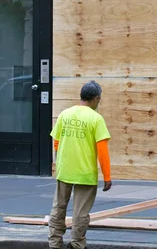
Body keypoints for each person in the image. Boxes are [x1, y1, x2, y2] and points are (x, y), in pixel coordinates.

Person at [48, 80, 112, 249]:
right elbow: (102, 152)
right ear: (96, 98)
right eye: (100, 99)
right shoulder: (96, 119)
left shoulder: (65, 114)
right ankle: (77, 244)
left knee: (59, 208)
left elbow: (56, 141)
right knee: (80, 213)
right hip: (85, 173)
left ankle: (54, 243)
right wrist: (107, 177)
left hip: (65, 170)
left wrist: (57, 162)